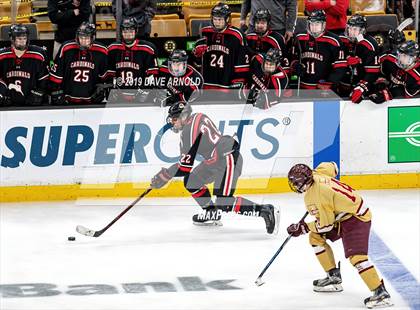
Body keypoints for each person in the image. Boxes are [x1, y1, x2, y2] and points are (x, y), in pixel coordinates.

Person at [150, 101, 280, 234]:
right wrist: (168, 174)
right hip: (216, 159)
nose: (173, 123)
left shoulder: (187, 132)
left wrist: (165, 175)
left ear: (183, 116)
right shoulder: (199, 116)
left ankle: (265, 210)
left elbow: (184, 168)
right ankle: (211, 213)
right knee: (191, 181)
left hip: (227, 158)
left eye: (175, 119)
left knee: (224, 202)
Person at [286, 162, 393, 308]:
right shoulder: (318, 173)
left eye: (296, 183)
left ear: (304, 182)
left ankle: (380, 293)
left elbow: (326, 225)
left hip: (356, 217)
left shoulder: (315, 196)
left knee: (357, 257)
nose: (295, 186)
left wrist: (303, 228)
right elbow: (333, 166)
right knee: (315, 238)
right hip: (343, 215)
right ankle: (333, 276)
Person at [193, 3, 249, 91]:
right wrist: (197, 55)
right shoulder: (205, 32)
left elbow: (242, 62)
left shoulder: (237, 35)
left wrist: (239, 80)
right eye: (215, 19)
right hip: (207, 82)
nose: (217, 22)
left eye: (220, 19)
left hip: (227, 84)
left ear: (227, 19)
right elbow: (196, 62)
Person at [50, 22, 109, 105]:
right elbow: (56, 76)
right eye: (81, 37)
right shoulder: (66, 48)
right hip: (67, 100)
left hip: (91, 100)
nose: (83, 41)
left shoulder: (102, 51)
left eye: (87, 38)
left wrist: (101, 88)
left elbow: (105, 77)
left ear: (93, 37)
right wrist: (56, 91)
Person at [291, 10, 347, 91]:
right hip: (302, 86)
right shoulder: (299, 37)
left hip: (323, 88)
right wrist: (295, 65)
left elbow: (340, 67)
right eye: (311, 24)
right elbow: (293, 58)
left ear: (323, 25)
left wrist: (330, 82)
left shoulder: (334, 41)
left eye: (317, 24)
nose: (314, 27)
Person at [107, 17, 158, 103]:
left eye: (131, 31)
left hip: (141, 95)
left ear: (136, 31)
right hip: (118, 96)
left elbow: (152, 76)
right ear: (121, 32)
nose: (128, 34)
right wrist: (113, 89)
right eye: (125, 31)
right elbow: (109, 74)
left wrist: (144, 91)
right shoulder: (112, 49)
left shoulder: (147, 49)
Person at [0, 24, 49, 106]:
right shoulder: (2, 56)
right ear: (12, 39)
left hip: (32, 102)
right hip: (9, 103)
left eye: (24, 38)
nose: (22, 41)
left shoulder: (38, 54)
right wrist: (2, 93)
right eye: (19, 39)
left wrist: (39, 92)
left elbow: (44, 78)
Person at [338, 14, 380, 103]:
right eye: (349, 28)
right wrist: (345, 60)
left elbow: (373, 73)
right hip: (341, 85)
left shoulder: (370, 45)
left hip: (359, 85)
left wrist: (362, 87)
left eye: (355, 29)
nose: (351, 32)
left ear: (362, 30)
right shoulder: (341, 39)